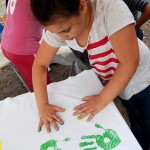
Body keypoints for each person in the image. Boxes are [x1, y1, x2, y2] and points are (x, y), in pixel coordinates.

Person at [30, 0, 150, 149]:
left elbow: (129, 63)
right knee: (129, 107)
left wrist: (102, 99)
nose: (61, 38)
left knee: (142, 120)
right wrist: (42, 105)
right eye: (54, 33)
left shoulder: (111, 9)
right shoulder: (60, 22)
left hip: (140, 80)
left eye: (66, 30)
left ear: (82, 6)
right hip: (116, 77)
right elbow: (40, 65)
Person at [1, 0, 51, 92]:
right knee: (44, 86)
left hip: (7, 44)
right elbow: (52, 19)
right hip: (23, 49)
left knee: (33, 81)